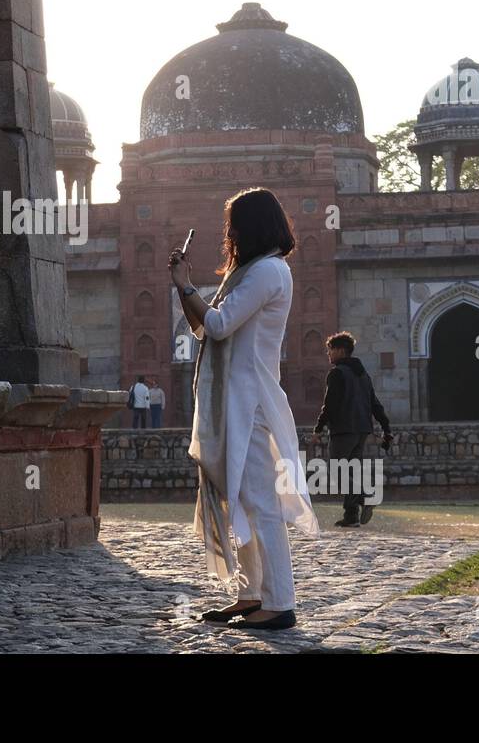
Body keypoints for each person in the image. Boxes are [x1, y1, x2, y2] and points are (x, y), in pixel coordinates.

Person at [171, 187, 319, 630]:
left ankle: (279, 602)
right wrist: (184, 289)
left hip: (250, 404)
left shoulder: (268, 272)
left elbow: (216, 325)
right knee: (240, 498)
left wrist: (185, 285)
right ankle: (251, 595)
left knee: (260, 501)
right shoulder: (250, 272)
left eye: (235, 224)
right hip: (234, 402)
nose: (229, 233)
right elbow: (203, 328)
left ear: (251, 226)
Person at [313, 332, 392, 527]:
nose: (328, 354)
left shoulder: (337, 373)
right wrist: (386, 427)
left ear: (340, 350)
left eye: (330, 350)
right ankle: (351, 517)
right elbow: (375, 404)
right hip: (362, 429)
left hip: (343, 429)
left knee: (337, 470)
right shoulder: (363, 375)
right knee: (353, 471)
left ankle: (366, 496)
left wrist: (318, 428)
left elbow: (329, 405)